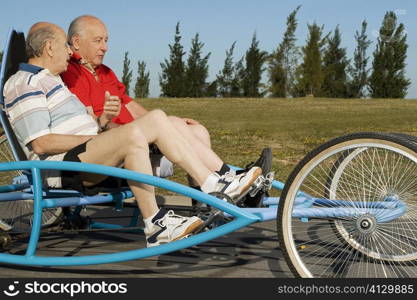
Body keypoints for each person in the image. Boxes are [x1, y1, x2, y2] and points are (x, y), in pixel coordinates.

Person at [3, 22, 262, 247]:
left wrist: (102, 124)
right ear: (49, 47)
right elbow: (41, 143)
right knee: (138, 131)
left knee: (158, 119)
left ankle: (200, 192)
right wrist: (98, 139)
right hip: (64, 167)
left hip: (85, 155)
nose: (70, 52)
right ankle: (199, 194)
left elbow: (78, 127)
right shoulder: (25, 83)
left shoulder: (52, 80)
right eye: (64, 46)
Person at [60, 15, 236, 190]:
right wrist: (156, 125)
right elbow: (91, 122)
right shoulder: (72, 72)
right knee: (173, 123)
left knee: (197, 130)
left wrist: (168, 124)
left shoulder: (106, 72)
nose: (104, 48)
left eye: (106, 41)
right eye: (98, 41)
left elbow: (130, 106)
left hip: (138, 132)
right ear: (76, 41)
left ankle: (206, 204)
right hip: (114, 141)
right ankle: (227, 176)